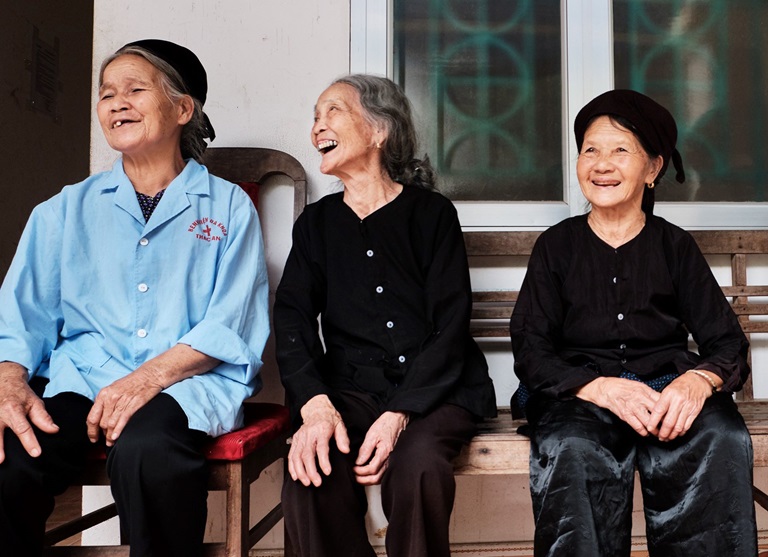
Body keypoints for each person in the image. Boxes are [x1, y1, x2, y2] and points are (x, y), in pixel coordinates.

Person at [0, 39, 269, 557]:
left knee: (148, 453)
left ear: (183, 108)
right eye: (107, 94)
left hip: (187, 381)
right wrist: (9, 381)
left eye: (135, 90)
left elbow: (231, 322)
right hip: (85, 379)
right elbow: (23, 311)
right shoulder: (65, 208)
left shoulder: (228, 206)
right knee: (13, 459)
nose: (117, 103)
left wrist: (148, 379)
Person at [509, 89, 757, 556]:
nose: (602, 164)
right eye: (590, 150)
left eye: (620, 150)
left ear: (653, 168)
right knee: (572, 449)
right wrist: (599, 388)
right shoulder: (556, 247)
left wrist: (698, 382)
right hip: (580, 396)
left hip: (664, 392)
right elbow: (531, 348)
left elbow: (727, 342)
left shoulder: (674, 246)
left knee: (721, 435)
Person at [274, 74, 496, 557]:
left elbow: (450, 323)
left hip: (437, 389)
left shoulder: (431, 214)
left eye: (332, 111)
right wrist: (314, 405)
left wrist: (399, 413)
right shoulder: (317, 223)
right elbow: (291, 319)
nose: (317, 126)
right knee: (310, 473)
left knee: (419, 468)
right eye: (314, 116)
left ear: (379, 131)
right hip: (350, 389)